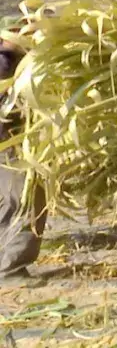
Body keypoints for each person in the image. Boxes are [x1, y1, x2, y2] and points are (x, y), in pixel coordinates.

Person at [0, 33, 47, 288]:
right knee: (25, 197)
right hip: (7, 139)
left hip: (12, 135)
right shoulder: (5, 58)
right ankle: (10, 270)